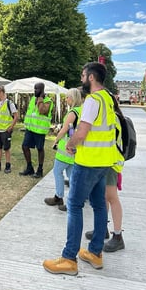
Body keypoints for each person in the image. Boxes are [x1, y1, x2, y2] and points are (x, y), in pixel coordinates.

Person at [43, 62, 118, 275]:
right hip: (104, 161)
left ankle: (69, 259)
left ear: (91, 77)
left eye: (83, 75)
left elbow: (82, 131)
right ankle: (95, 253)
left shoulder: (93, 100)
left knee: (74, 205)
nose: (81, 79)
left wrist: (70, 143)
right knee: (99, 205)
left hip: (88, 162)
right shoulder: (108, 98)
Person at [84, 91, 126, 252]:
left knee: (111, 197)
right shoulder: (113, 115)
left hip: (110, 162)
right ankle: (102, 229)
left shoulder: (111, 117)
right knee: (104, 198)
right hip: (106, 161)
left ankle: (118, 236)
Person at [45, 87, 83, 211]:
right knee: (72, 176)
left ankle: (58, 196)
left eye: (67, 97)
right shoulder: (81, 110)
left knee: (57, 172)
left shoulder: (72, 113)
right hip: (76, 148)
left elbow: (65, 129)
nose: (66, 99)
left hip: (66, 149)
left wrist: (56, 140)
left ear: (72, 98)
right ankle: (73, 200)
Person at [19, 81, 54, 178]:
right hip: (30, 128)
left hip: (39, 130)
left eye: (37, 89)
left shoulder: (48, 101)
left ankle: (40, 170)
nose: (35, 90)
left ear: (42, 90)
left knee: (40, 149)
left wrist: (40, 99)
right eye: (34, 88)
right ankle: (29, 167)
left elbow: (42, 111)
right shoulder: (32, 99)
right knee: (24, 146)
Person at [0, 85, 19, 174]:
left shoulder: (10, 103)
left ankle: (8, 165)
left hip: (5, 130)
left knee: (6, 148)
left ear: (2, 92)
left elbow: (16, 116)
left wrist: (11, 127)